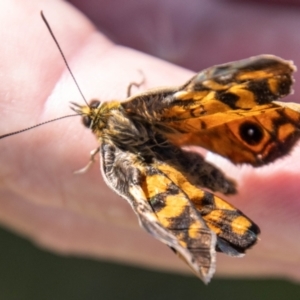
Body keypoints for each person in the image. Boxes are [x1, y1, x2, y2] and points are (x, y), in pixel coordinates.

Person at [0, 0, 299, 282]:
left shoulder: (112, 154)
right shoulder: (134, 114)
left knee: (151, 196)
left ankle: (209, 220)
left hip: (164, 162)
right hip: (173, 141)